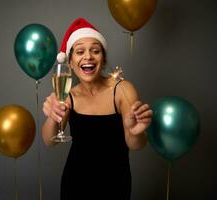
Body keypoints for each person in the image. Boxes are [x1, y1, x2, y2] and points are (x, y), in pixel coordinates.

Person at [42, 18, 153, 200]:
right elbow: (49, 141)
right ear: (70, 62)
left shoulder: (122, 90)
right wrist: (52, 117)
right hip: (75, 183)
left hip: (115, 184)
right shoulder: (68, 95)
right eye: (79, 51)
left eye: (95, 50)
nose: (88, 57)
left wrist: (136, 132)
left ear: (103, 59)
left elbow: (136, 144)